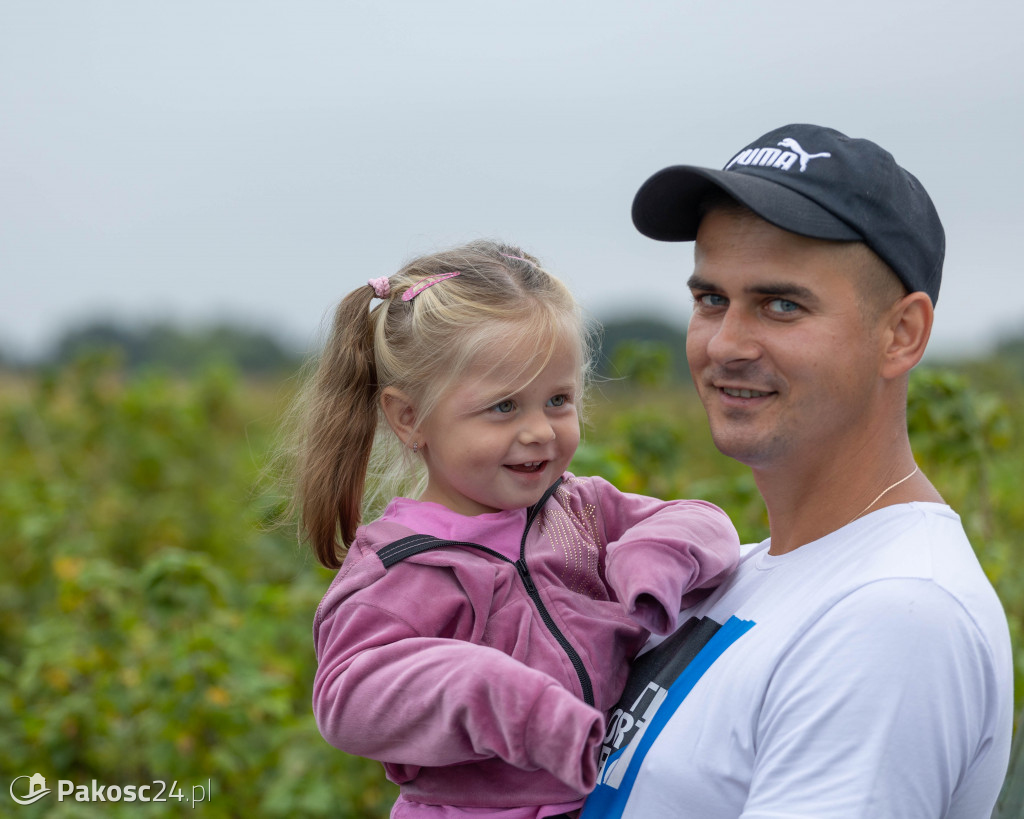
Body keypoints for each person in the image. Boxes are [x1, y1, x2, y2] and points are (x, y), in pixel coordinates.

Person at [582, 124, 1014, 818]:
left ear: (901, 334)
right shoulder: (743, 575)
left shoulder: (896, 614)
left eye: (781, 305)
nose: (726, 344)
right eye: (710, 299)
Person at [296, 240, 741, 819]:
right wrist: (507, 700)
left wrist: (651, 561)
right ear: (410, 418)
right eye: (504, 407)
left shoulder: (577, 510)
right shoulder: (404, 567)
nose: (539, 431)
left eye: (557, 400)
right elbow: (347, 697)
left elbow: (700, 521)